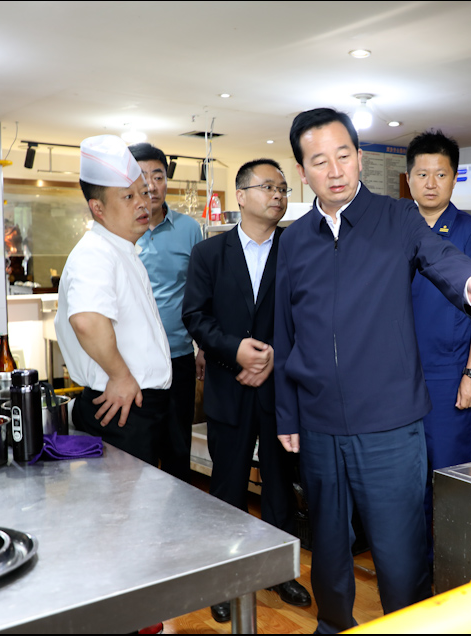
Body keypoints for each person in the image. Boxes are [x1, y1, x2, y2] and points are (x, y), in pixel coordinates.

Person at [273, 108, 471, 634]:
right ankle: (332, 624)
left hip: (390, 424)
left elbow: (440, 257)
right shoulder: (293, 240)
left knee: (399, 551)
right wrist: (287, 413)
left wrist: (470, 283)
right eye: (319, 161)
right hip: (318, 425)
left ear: (360, 158)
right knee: (329, 546)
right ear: (302, 171)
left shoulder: (398, 218)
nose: (335, 170)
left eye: (344, 155)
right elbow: (284, 331)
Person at [182, 158, 311, 622]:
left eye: (283, 188)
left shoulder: (297, 249)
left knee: (279, 486)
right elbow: (195, 316)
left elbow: (309, 314)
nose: (278, 195)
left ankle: (279, 572)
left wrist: (275, 354)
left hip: (281, 392)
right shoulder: (209, 254)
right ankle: (225, 579)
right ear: (240, 196)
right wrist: (234, 350)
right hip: (229, 385)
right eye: (268, 187)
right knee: (228, 486)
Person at [55, 135, 186, 474]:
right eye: (128, 196)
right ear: (97, 208)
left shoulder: (121, 249)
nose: (143, 202)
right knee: (126, 503)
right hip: (122, 406)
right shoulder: (95, 253)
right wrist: (121, 375)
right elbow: (86, 320)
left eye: (143, 192)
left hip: (138, 405)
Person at [405, 130, 471, 563]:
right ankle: (414, 569)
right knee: (405, 479)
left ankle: (452, 567)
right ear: (408, 178)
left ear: (454, 178)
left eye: (440, 174)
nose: (430, 183)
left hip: (447, 374)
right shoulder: (393, 228)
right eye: (422, 174)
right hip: (397, 375)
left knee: (448, 475)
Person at [128, 142, 204, 481]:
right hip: (133, 362)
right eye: (142, 176)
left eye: (158, 176)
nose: (151, 185)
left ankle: (180, 513)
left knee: (177, 450)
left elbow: (201, 292)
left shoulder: (189, 229)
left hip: (178, 357)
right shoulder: (120, 232)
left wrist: (202, 346)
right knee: (137, 452)